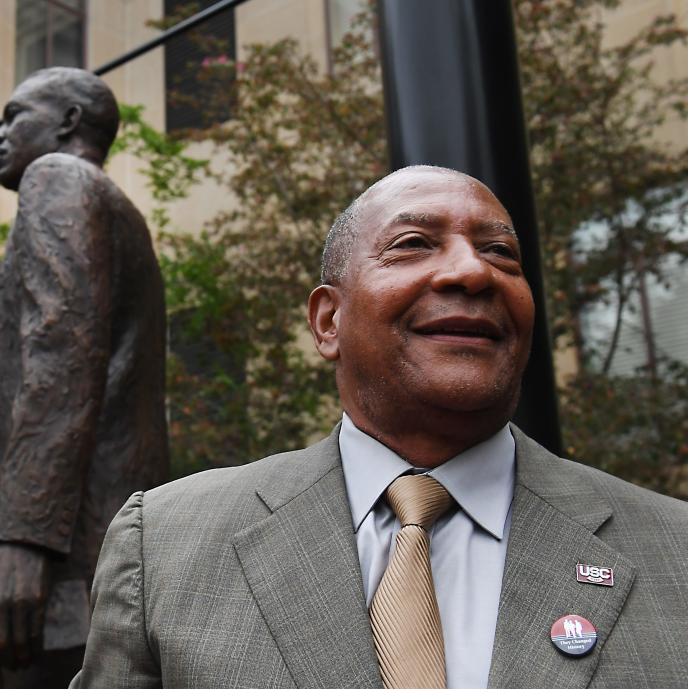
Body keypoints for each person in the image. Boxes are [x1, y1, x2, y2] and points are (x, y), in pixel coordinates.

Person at [72, 166, 688, 688]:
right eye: (414, 243)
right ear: (327, 322)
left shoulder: (674, 551)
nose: (473, 273)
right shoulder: (165, 546)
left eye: (501, 252)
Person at [0, 67, 169, 689]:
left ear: (68, 123)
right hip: (101, 527)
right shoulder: (115, 206)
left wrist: (20, 539)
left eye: (13, 118)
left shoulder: (57, 177)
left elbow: (60, 351)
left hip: (66, 543)